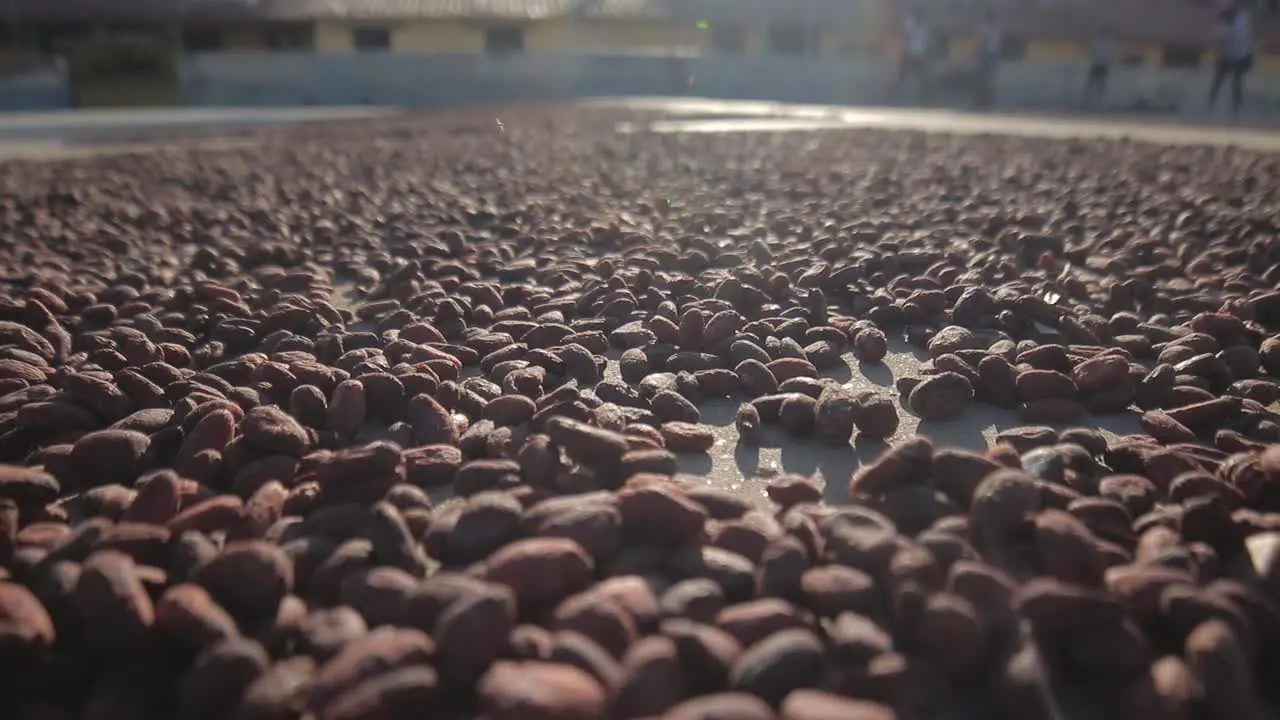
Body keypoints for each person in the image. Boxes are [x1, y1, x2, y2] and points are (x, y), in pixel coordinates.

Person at [1208, 4, 1254, 114]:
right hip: (1228, 56)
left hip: (1239, 56)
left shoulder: (1242, 19)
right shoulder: (1224, 27)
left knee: (1235, 82)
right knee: (1220, 80)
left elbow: (1248, 37)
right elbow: (1220, 44)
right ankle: (1212, 101)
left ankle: (1236, 104)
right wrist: (1218, 57)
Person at [898, 9, 931, 102]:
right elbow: (905, 36)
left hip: (917, 54)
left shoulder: (920, 26)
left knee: (920, 76)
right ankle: (895, 93)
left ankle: (925, 97)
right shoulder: (912, 25)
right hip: (912, 54)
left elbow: (926, 42)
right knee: (904, 75)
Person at [973, 9, 1002, 108]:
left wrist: (976, 52)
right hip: (993, 55)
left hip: (986, 54)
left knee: (982, 79)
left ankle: (982, 101)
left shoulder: (985, 28)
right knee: (988, 79)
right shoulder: (996, 28)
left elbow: (982, 42)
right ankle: (988, 101)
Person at [1084, 33, 1113, 106]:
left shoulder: (1097, 44)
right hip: (1102, 64)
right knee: (1099, 84)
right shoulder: (1108, 44)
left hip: (1098, 64)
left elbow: (1091, 53)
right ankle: (1099, 100)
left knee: (1093, 84)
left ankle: (1091, 99)